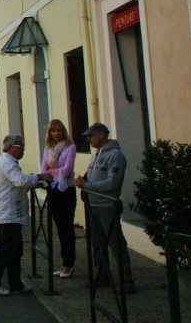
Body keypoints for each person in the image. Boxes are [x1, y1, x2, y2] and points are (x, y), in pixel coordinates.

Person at [0, 134, 53, 295]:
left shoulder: (8, 162)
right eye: (20, 147)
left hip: (10, 213)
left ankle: (16, 283)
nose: (23, 150)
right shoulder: (7, 163)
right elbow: (19, 180)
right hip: (7, 214)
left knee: (15, 249)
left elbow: (17, 184)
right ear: (11, 147)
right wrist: (39, 176)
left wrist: (34, 183)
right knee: (8, 249)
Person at [74, 122, 136, 294]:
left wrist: (88, 185)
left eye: (91, 136)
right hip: (93, 205)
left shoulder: (115, 155)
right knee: (97, 244)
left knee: (116, 244)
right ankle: (102, 276)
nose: (89, 140)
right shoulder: (96, 155)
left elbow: (112, 182)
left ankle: (126, 281)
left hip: (107, 205)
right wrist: (84, 184)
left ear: (101, 135)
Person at [40, 119, 77, 278]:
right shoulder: (48, 148)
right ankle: (64, 263)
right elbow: (43, 168)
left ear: (63, 131)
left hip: (66, 189)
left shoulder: (70, 147)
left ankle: (69, 263)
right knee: (59, 226)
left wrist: (51, 171)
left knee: (67, 225)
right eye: (53, 131)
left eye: (59, 130)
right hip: (53, 189)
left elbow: (67, 170)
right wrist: (52, 172)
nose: (56, 134)